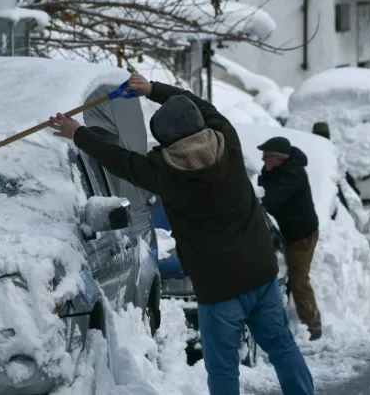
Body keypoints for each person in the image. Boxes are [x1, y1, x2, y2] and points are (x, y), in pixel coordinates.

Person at [48, 73, 314, 395]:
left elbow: (118, 160)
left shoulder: (163, 172)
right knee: (283, 347)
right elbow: (200, 103)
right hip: (261, 273)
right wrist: (152, 90)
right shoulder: (226, 139)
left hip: (219, 289)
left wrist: (78, 133)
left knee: (223, 367)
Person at [256, 136, 322, 342]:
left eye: (267, 157)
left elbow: (270, 200)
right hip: (292, 233)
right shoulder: (280, 171)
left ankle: (313, 327)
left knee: (299, 279)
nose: (263, 161)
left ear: (279, 158)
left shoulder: (292, 175)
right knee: (296, 277)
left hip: (301, 236)